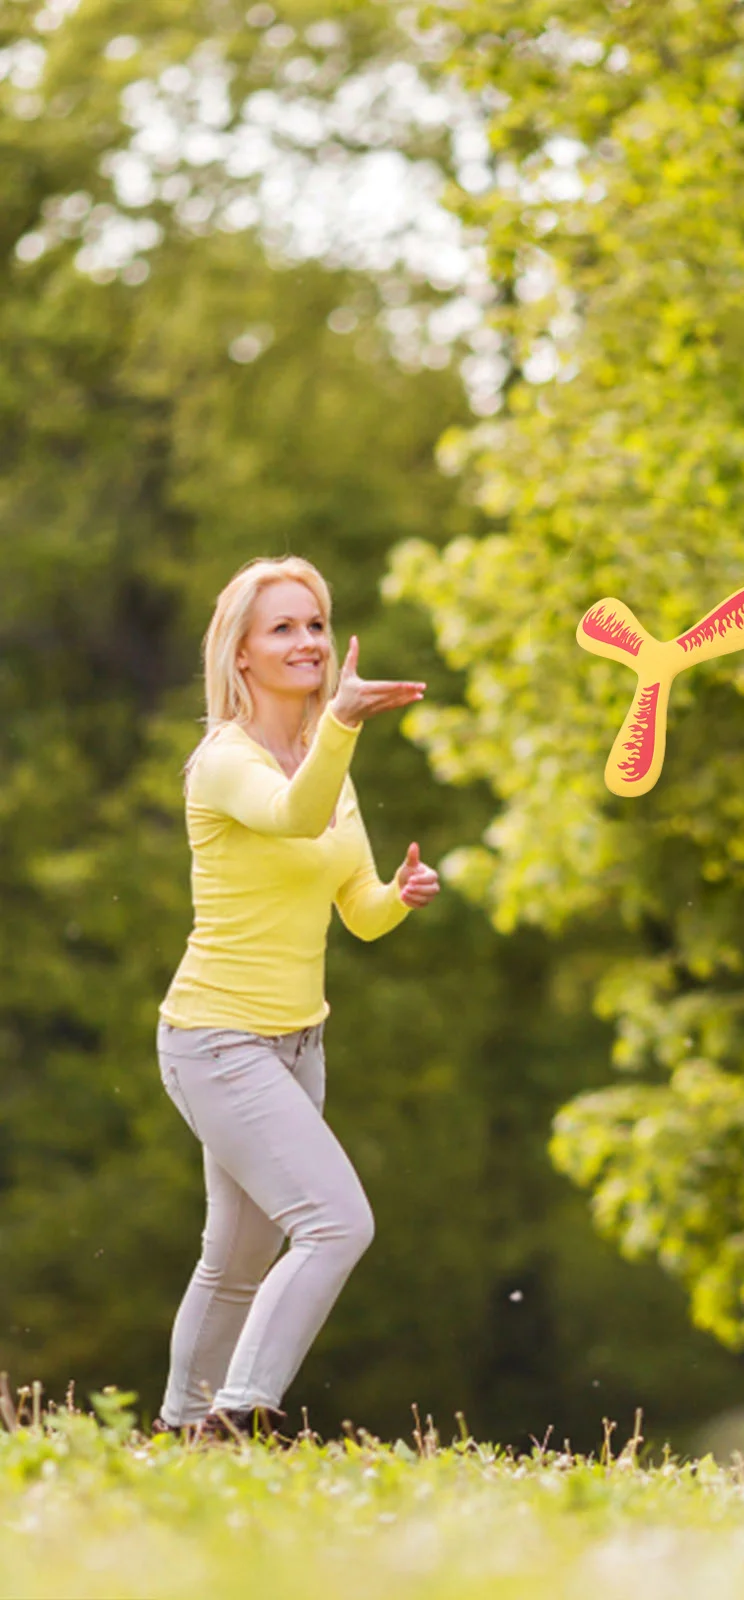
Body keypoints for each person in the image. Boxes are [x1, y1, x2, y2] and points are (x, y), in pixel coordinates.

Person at [151, 556, 440, 1440]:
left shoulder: (327, 765)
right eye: (283, 627)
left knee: (237, 1261)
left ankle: (176, 1435)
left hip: (297, 1046)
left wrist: (400, 894)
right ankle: (235, 1418)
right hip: (216, 1040)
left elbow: (357, 913)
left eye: (315, 623)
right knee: (336, 1224)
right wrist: (344, 727)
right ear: (240, 654)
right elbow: (292, 816)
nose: (307, 641)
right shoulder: (223, 763)